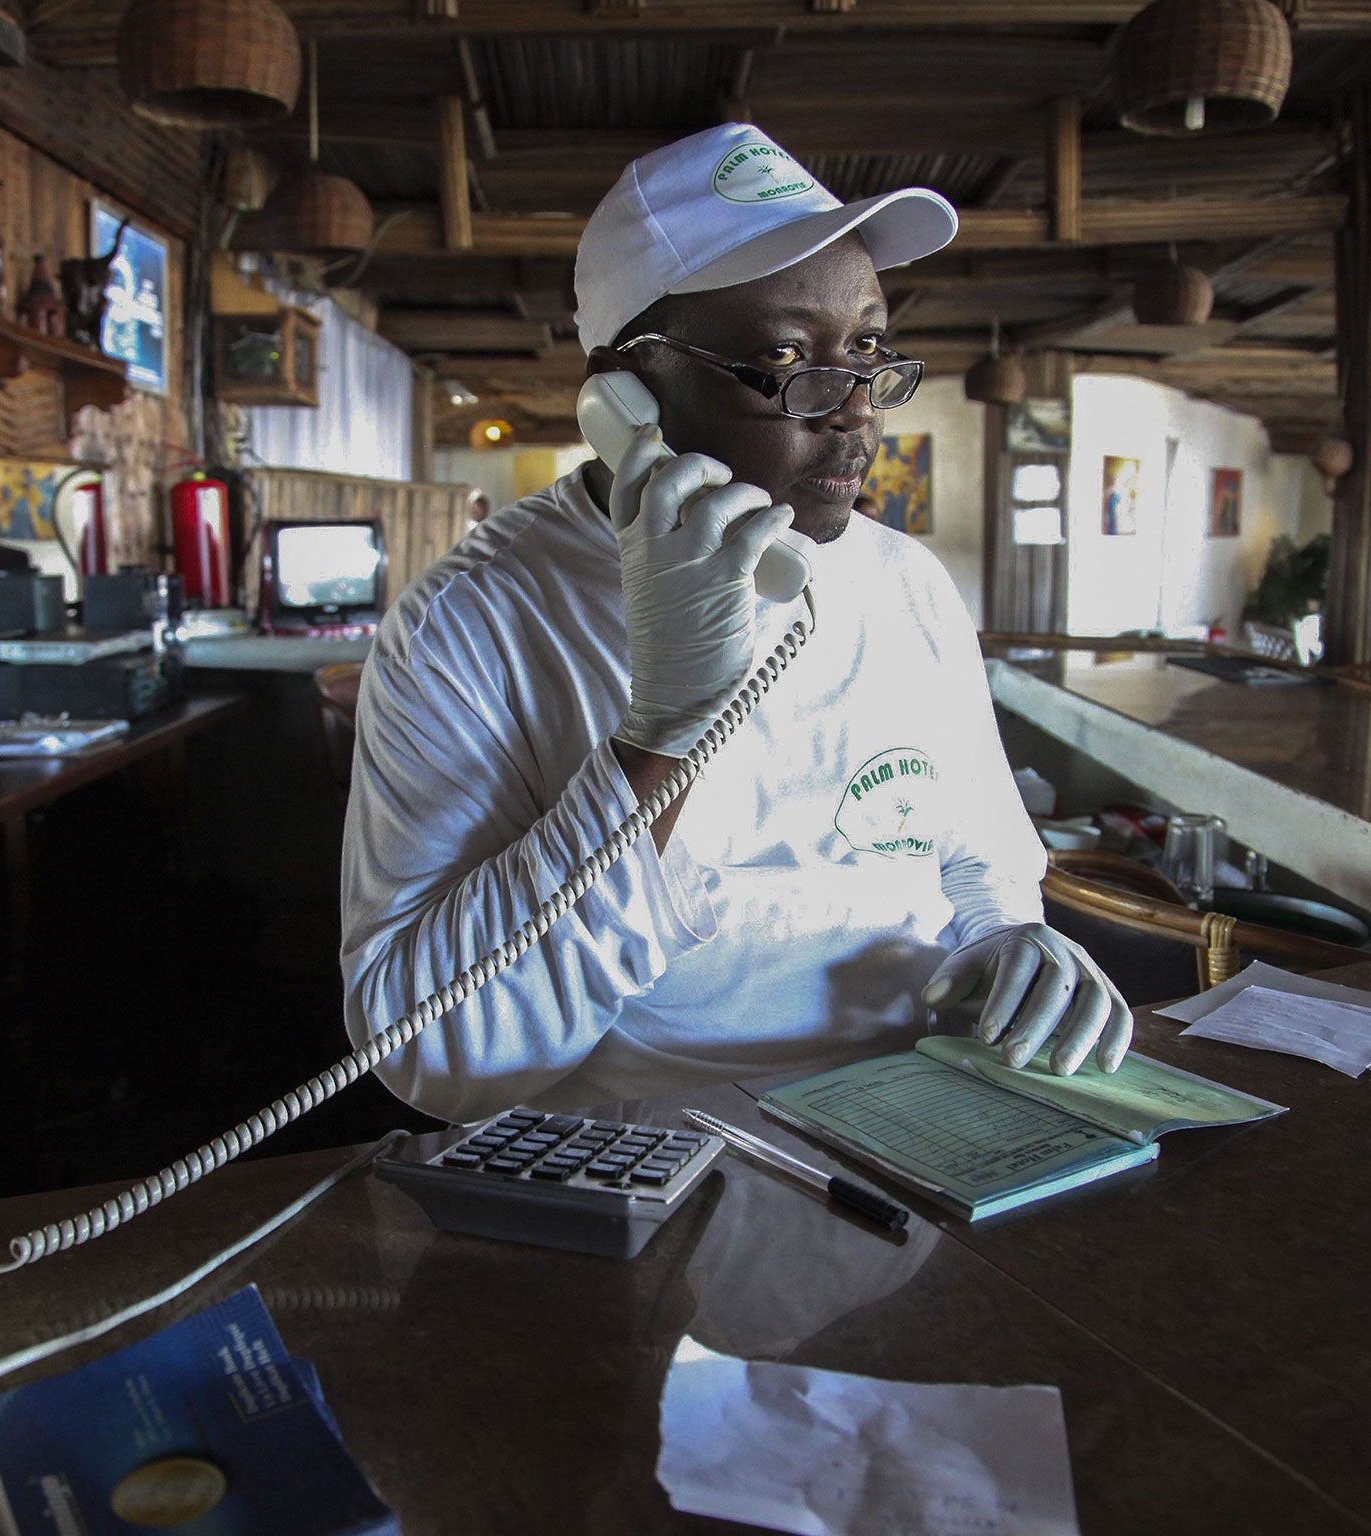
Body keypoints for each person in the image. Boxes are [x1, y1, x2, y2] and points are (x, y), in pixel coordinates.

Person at [342, 124, 1130, 1125]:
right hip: (648, 1161)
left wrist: (1002, 939)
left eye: (867, 352)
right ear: (622, 392)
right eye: (784, 360)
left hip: (924, 1121)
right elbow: (435, 1058)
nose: (850, 410)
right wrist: (663, 729)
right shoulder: (469, 619)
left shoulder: (905, 583)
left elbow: (979, 858)